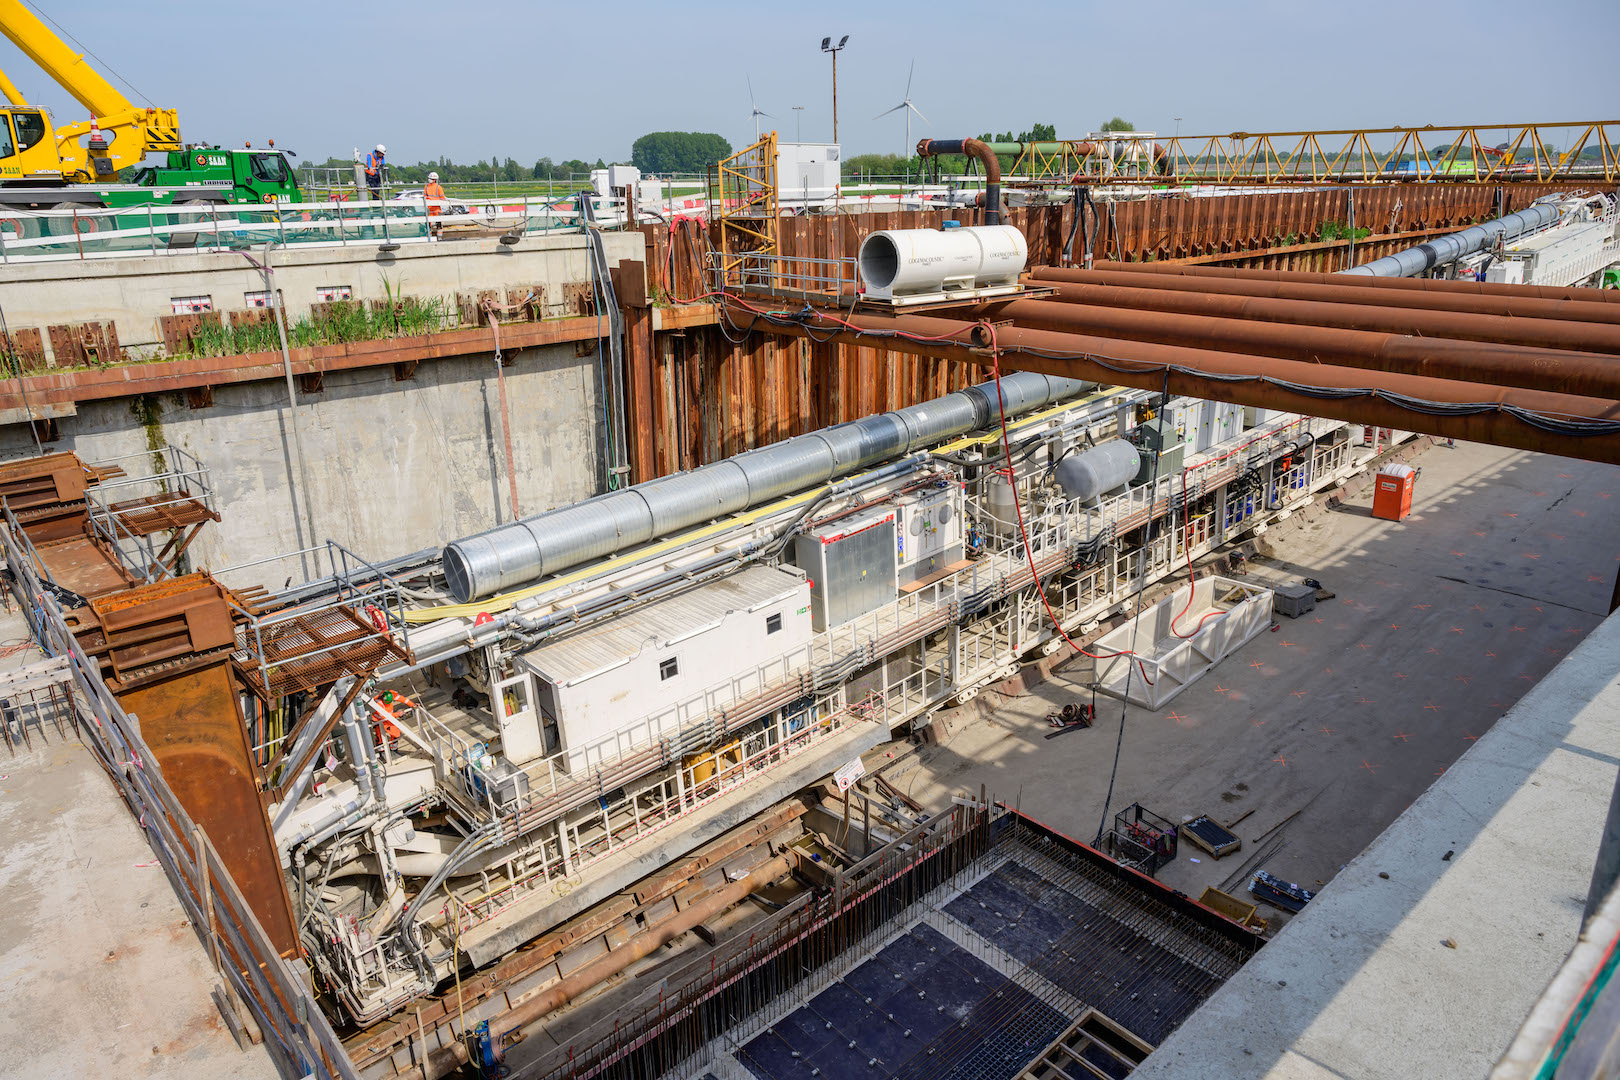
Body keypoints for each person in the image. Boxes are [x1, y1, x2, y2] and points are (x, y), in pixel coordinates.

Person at [424, 170, 446, 239]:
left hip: (436, 208)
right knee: (428, 224)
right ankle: (429, 237)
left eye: (431, 179)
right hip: (429, 208)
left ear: (434, 180)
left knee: (439, 223)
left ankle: (439, 237)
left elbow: (442, 198)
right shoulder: (426, 186)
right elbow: (425, 197)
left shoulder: (438, 187)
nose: (430, 180)